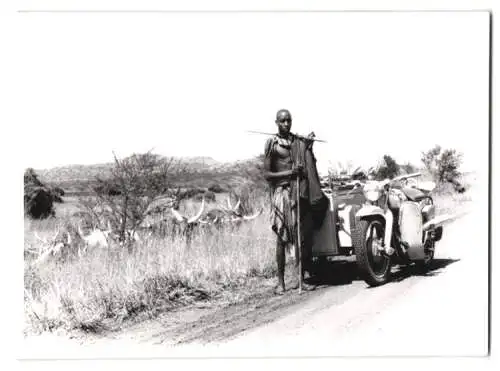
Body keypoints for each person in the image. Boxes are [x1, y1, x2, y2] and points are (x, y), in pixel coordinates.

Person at [263, 109, 326, 294]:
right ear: (276, 122)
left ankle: (302, 278)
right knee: (282, 238)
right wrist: (290, 173)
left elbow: (306, 156)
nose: (286, 124)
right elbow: (267, 175)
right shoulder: (272, 144)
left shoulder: (296, 141)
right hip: (282, 193)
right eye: (282, 121)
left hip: (299, 191)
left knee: (303, 236)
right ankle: (281, 283)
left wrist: (308, 146)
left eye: (289, 120)